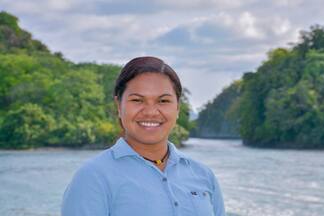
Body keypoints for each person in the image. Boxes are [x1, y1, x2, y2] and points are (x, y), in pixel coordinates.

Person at [61, 56, 226, 216]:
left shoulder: (203, 175)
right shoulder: (93, 177)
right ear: (119, 106)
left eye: (163, 101)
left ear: (177, 109)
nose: (150, 112)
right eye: (137, 100)